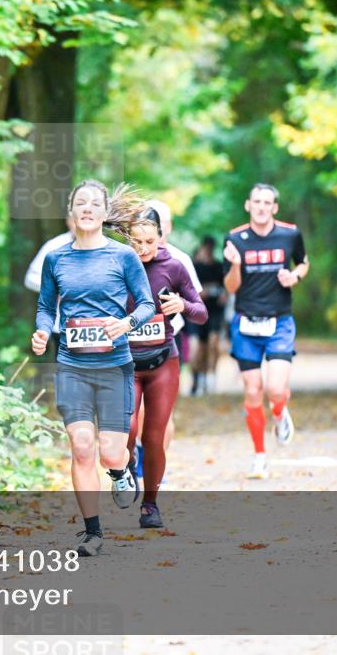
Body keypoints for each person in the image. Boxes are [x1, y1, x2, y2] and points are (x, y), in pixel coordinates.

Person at [32, 180, 156, 556]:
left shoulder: (123, 257)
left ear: (104, 213)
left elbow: (147, 305)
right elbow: (45, 307)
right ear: (72, 212)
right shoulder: (56, 259)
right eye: (80, 203)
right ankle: (93, 532)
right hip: (72, 365)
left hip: (114, 366)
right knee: (82, 447)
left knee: (109, 452)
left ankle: (120, 473)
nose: (86, 208)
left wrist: (127, 324)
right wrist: (41, 332)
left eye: (93, 204)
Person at [126, 209, 207, 528]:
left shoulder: (173, 265)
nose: (144, 248)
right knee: (126, 428)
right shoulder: (116, 263)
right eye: (137, 241)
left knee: (154, 435)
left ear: (161, 237)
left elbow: (201, 312)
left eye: (150, 241)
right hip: (125, 362)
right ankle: (125, 469)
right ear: (127, 239)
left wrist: (182, 306)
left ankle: (150, 505)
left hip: (163, 361)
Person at [223, 183, 309, 480]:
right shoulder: (235, 239)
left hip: (279, 322)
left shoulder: (290, 234)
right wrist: (235, 265)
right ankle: (259, 456)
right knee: (252, 390)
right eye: (256, 201)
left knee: (275, 389)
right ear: (248, 205)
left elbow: (304, 262)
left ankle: (280, 412)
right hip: (246, 323)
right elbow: (230, 287)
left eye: (267, 202)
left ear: (275, 208)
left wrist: (294, 276)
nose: (261, 207)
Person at [133, 201, 201, 469]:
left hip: (168, 342)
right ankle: (139, 456)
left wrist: (177, 305)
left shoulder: (180, 259)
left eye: (161, 222)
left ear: (167, 227)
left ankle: (156, 462)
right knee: (134, 412)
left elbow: (195, 302)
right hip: (130, 345)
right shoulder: (127, 257)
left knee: (162, 412)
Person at [24, 216, 75, 359]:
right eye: (73, 219)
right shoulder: (54, 246)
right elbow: (30, 278)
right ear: (68, 220)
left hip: (98, 326)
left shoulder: (107, 247)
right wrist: (56, 289)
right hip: (61, 324)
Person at [190, 236, 227, 395]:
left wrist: (224, 295)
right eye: (207, 247)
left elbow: (226, 287)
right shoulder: (194, 266)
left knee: (213, 344)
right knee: (197, 347)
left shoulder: (219, 267)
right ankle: (197, 378)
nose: (209, 250)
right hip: (196, 312)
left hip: (215, 312)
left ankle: (211, 376)